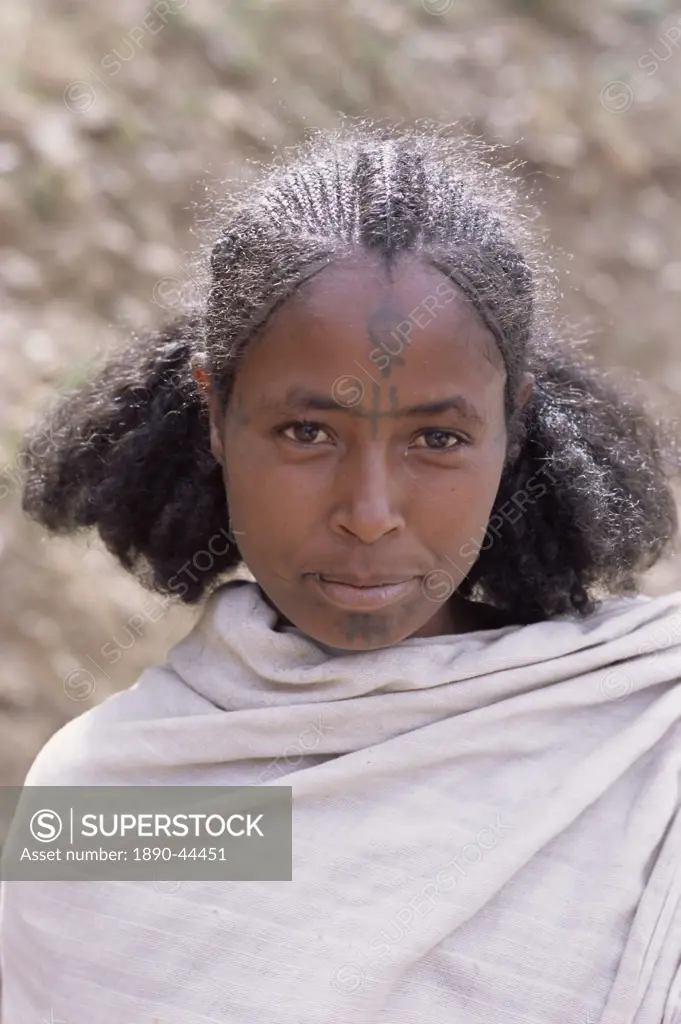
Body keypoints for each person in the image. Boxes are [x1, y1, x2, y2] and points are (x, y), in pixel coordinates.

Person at [2, 124, 681, 1024]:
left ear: (510, 427)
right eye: (306, 433)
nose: (368, 511)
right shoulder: (106, 802)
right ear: (217, 412)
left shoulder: (640, 738)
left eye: (437, 440)